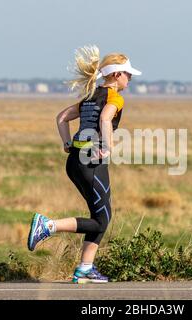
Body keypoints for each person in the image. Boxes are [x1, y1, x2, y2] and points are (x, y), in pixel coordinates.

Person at [27, 45, 141, 283]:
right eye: (127, 74)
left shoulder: (91, 96)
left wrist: (66, 142)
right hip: (92, 162)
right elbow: (105, 118)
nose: (129, 78)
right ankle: (48, 226)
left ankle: (84, 270)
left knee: (101, 216)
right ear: (116, 75)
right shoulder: (114, 97)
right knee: (102, 219)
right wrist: (108, 148)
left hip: (75, 161)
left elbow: (61, 117)